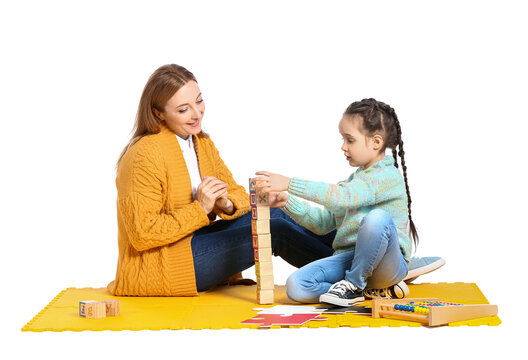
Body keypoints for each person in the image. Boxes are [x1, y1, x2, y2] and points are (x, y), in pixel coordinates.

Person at [107, 64, 443, 297]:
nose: (197, 114)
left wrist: (225, 203)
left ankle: (368, 265)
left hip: (196, 247)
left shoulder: (200, 144)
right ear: (158, 113)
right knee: (278, 224)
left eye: (199, 101)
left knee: (303, 218)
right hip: (168, 266)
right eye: (183, 110)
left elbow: (236, 193)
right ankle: (371, 271)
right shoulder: (144, 154)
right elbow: (141, 233)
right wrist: (202, 208)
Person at [254, 98, 432, 306]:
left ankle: (354, 285)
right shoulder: (353, 182)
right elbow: (323, 224)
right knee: (296, 285)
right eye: (343, 139)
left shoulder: (386, 176)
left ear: (376, 142)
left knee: (377, 219)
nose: (343, 146)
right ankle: (365, 290)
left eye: (350, 140)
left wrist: (289, 183)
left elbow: (343, 197)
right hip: (352, 260)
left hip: (386, 264)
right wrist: (287, 202)